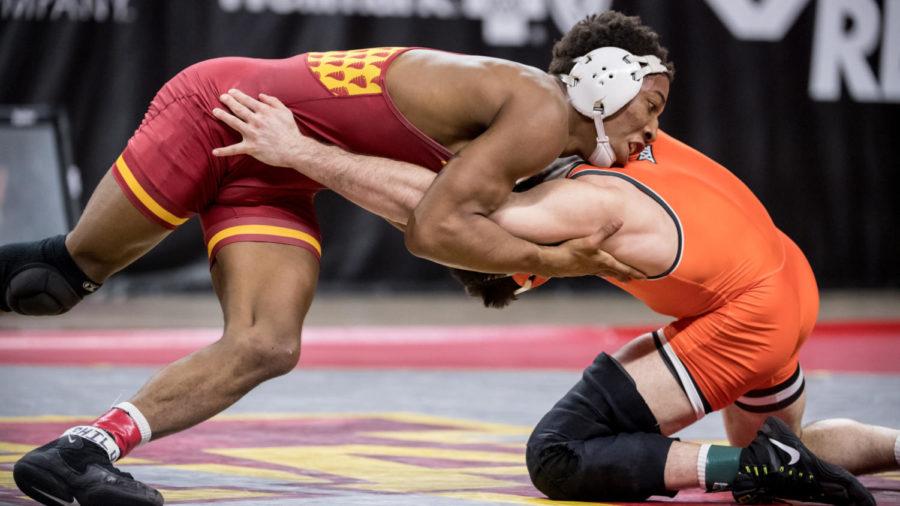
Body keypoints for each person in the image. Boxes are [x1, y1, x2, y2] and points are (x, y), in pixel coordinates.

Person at [5, 11, 667, 506]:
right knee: (58, 279)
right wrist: (567, 262)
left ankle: (82, 452)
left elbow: (430, 218)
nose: (652, 131)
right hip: (222, 112)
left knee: (267, 344)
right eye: (653, 106)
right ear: (605, 81)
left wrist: (529, 257)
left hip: (280, 166)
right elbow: (435, 231)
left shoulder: (545, 144)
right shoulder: (538, 112)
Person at [202, 86, 898, 504]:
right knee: (795, 450)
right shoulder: (603, 128)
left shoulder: (578, 208)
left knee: (561, 454)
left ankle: (748, 465)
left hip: (748, 314)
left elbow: (443, 211)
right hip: (783, 273)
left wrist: (304, 154)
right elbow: (449, 197)